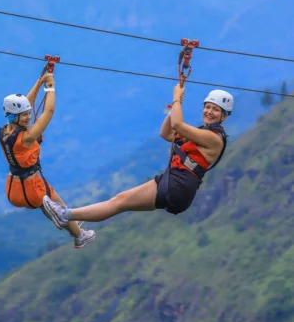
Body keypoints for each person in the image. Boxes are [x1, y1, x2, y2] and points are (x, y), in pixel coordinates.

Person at [41, 83, 234, 228]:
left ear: (224, 116)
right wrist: (173, 109)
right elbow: (167, 133)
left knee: (120, 202)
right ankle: (67, 215)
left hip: (178, 186)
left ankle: (65, 215)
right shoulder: (202, 133)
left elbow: (178, 126)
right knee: (120, 200)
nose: (209, 112)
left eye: (215, 109)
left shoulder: (214, 139)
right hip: (173, 181)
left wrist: (177, 100)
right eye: (207, 107)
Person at [0, 72, 96, 248]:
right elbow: (49, 112)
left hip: (13, 188)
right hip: (32, 189)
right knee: (57, 209)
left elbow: (27, 102)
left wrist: (40, 81)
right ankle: (61, 218)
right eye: (24, 115)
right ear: (14, 117)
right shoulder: (26, 138)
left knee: (59, 204)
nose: (29, 117)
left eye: (29, 113)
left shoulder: (4, 131)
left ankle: (77, 233)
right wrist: (50, 87)